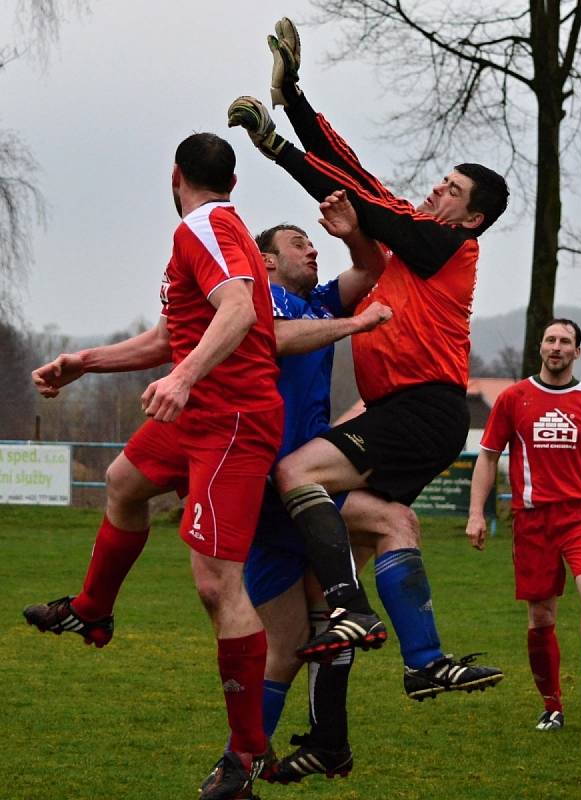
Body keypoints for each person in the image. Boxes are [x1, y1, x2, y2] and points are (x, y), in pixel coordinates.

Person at [226, 17, 508, 698]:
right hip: (405, 411)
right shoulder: (420, 234)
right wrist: (293, 103)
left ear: (470, 218)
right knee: (386, 523)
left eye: (452, 191)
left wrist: (278, 150)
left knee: (296, 470)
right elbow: (352, 174)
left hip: (422, 408)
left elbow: (359, 199)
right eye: (441, 181)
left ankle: (354, 611)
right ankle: (420, 665)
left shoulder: (447, 245)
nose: (437, 191)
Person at [24, 133, 284, 800]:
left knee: (216, 583)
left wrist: (185, 379)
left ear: (176, 177)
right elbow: (173, 336)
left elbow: (240, 306)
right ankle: (93, 609)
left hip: (232, 421)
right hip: (199, 416)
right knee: (121, 482)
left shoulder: (206, 224)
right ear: (231, 178)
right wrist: (84, 362)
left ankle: (246, 757)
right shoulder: (207, 233)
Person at [245, 213, 391, 783]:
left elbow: (371, 266)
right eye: (297, 244)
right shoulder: (261, 303)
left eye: (312, 244)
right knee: (283, 644)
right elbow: (280, 340)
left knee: (330, 621)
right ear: (268, 262)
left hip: (314, 491)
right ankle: (245, 757)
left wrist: (350, 229)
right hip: (266, 489)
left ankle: (327, 740)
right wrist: (356, 325)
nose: (311, 250)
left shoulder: (324, 303)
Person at [466, 318, 581, 731]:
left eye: (565, 341)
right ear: (540, 348)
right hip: (533, 520)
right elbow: (487, 457)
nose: (556, 347)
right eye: (550, 340)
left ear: (577, 352)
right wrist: (476, 513)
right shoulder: (514, 399)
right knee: (541, 617)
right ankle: (552, 705)